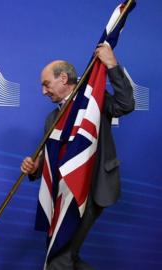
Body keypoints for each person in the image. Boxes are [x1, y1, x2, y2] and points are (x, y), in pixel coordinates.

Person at [20, 43, 134, 270]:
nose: (43, 91)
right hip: (63, 196)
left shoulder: (93, 100)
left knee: (58, 258)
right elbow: (49, 162)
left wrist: (111, 63)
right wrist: (35, 167)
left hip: (91, 189)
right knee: (65, 257)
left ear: (63, 78)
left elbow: (125, 104)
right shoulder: (51, 118)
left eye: (46, 84)